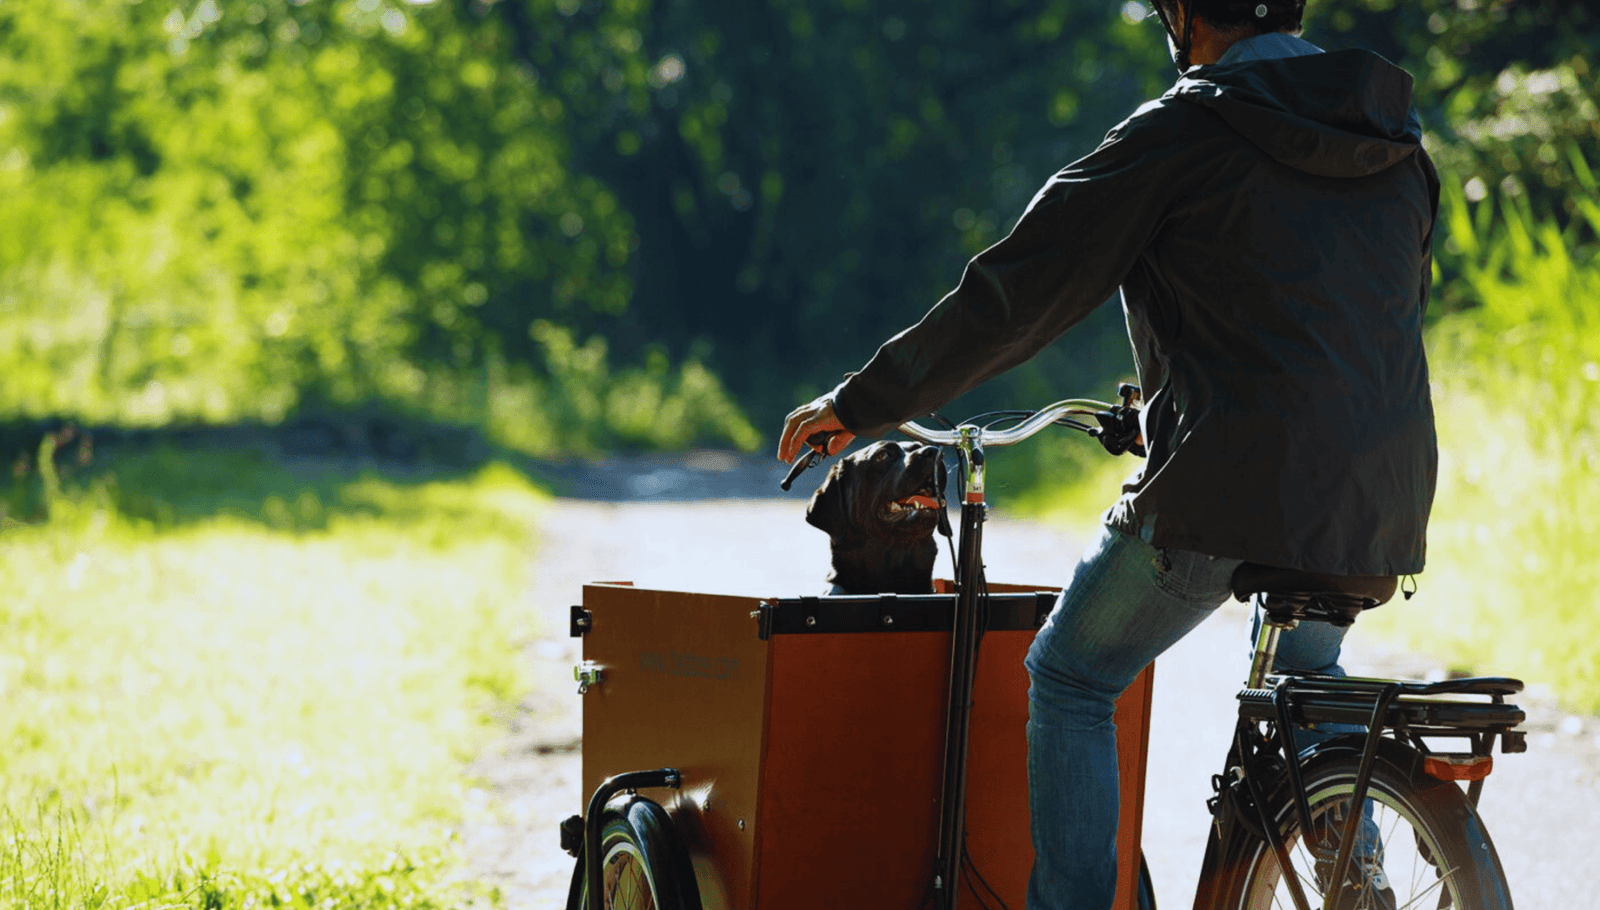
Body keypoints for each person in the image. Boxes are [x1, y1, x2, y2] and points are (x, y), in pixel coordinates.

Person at [777, 0, 1439, 907]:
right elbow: (1343, 323)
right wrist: (1170, 406)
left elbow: (1019, 293)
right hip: (1384, 494)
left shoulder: (1185, 129)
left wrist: (864, 404)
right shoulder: (1398, 146)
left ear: (1184, 15)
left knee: (1071, 676)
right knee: (1310, 683)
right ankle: (1359, 885)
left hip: (1227, 486)